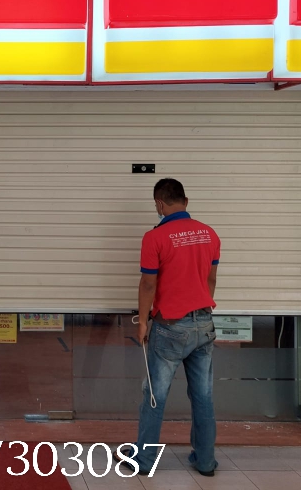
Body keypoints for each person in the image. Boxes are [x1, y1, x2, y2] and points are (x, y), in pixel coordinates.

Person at [133, 178, 220, 476]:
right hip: (204, 323)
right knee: (203, 397)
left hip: (169, 327)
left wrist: (142, 322)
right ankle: (205, 461)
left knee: (155, 396)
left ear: (159, 204)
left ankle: (145, 460)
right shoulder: (209, 234)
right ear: (186, 201)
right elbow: (211, 279)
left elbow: (148, 284)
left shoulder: (154, 237)